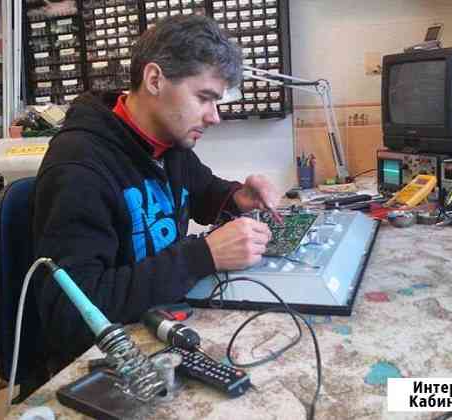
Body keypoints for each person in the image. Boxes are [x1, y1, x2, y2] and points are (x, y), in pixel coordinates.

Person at [31, 14, 281, 369]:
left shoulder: (168, 143)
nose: (214, 117)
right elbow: (69, 313)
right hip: (102, 362)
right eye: (204, 98)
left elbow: (203, 192)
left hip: (158, 324)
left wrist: (239, 197)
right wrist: (201, 256)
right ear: (154, 80)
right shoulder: (79, 167)